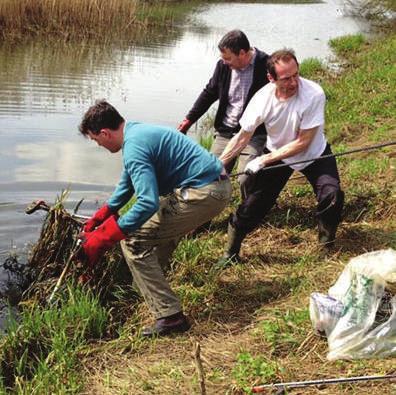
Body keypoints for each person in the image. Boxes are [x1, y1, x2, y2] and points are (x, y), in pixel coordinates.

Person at [78, 100, 232, 337]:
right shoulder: (136, 133)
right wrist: (104, 213)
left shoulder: (134, 147)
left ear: (104, 133)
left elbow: (147, 202)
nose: (98, 145)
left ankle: (170, 317)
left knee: (133, 242)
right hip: (211, 187)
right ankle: (147, 288)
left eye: (96, 140)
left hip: (203, 193)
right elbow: (128, 182)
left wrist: (107, 235)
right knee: (156, 230)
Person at [218, 49, 344, 263]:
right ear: (271, 78)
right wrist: (219, 165)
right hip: (278, 154)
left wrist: (263, 159)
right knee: (252, 205)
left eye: (296, 75)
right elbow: (242, 137)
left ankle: (326, 244)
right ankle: (230, 253)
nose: (294, 82)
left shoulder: (314, 93)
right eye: (286, 78)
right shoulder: (263, 99)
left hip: (314, 153)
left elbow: (303, 141)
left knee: (332, 195)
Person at [178, 29, 269, 196]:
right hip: (225, 132)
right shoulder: (223, 67)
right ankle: (205, 214)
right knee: (209, 175)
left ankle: (247, 212)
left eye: (228, 58)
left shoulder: (266, 65)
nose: (224, 62)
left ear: (242, 53)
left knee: (246, 177)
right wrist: (189, 119)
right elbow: (209, 93)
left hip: (254, 134)